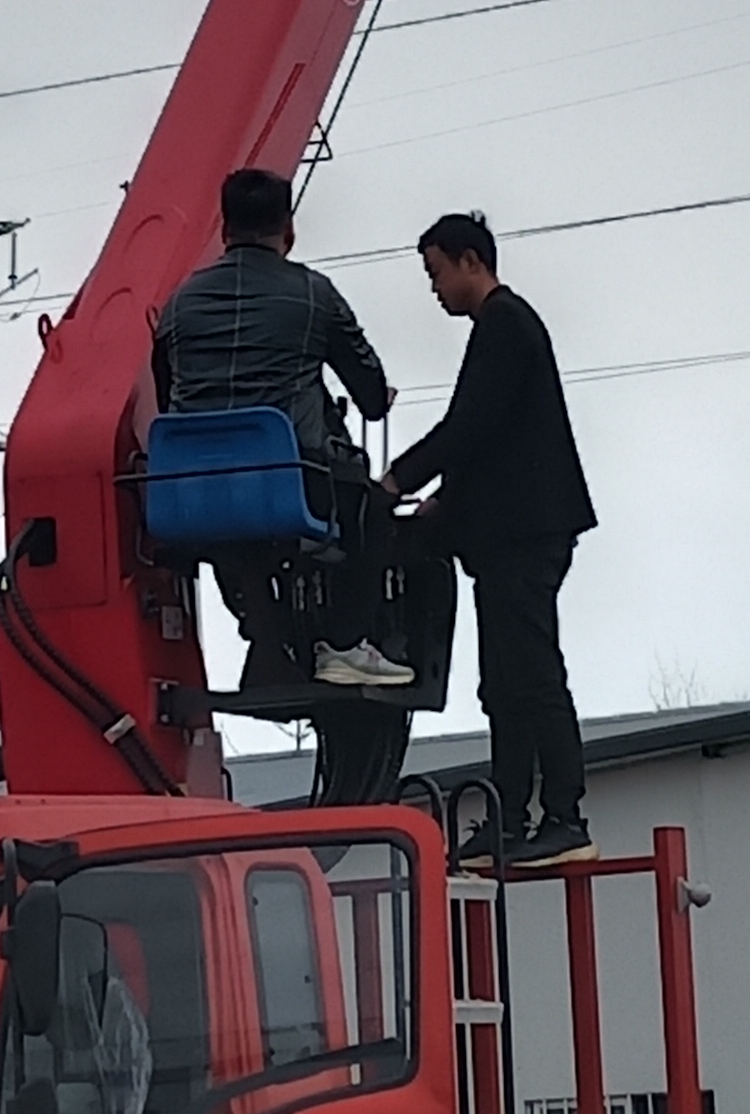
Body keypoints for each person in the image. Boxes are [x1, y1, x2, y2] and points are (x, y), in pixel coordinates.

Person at [383, 211, 596, 872]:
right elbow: (490, 441)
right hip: (512, 531)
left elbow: (471, 427)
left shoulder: (505, 325)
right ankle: (512, 812)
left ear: (470, 261)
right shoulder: (502, 327)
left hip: (525, 532)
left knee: (528, 672)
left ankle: (563, 814)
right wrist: (447, 500)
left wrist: (397, 480)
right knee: (505, 679)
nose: (435, 288)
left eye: (436, 272)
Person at [151, 166, 413, 698]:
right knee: (369, 507)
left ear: (223, 231)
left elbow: (166, 397)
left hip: (192, 493)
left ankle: (263, 634)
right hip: (288, 485)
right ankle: (343, 645)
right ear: (288, 230)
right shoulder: (314, 294)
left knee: (238, 529)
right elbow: (369, 394)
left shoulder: (179, 304)